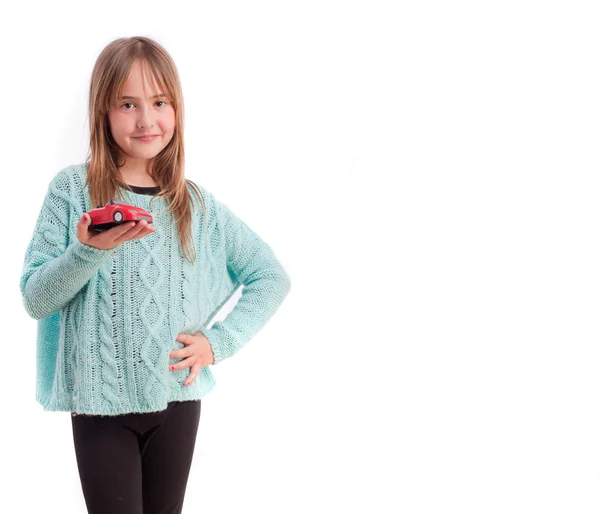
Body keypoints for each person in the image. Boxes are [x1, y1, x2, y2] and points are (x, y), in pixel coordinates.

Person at [19, 36, 292, 514]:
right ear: (103, 111)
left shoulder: (195, 204)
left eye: (159, 102)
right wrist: (85, 252)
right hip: (100, 407)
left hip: (178, 402)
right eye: (128, 104)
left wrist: (217, 343)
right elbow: (36, 299)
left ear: (176, 109)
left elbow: (270, 276)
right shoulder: (71, 191)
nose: (146, 119)